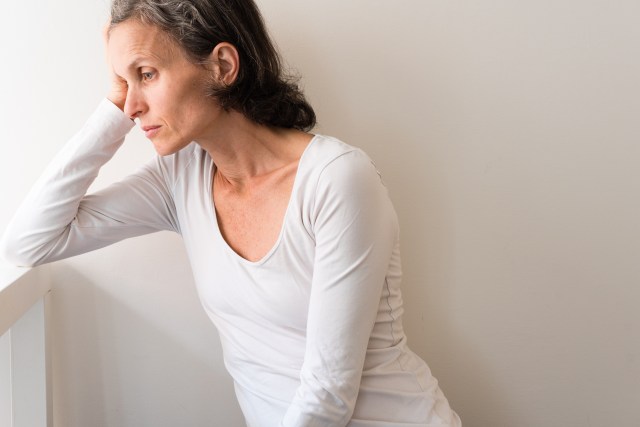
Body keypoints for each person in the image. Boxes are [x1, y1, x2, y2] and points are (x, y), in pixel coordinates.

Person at [0, 0, 461, 425]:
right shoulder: (179, 178)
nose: (133, 107)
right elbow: (30, 241)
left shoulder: (337, 179)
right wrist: (112, 107)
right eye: (124, 83)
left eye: (147, 74)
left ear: (222, 65)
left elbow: (329, 392)